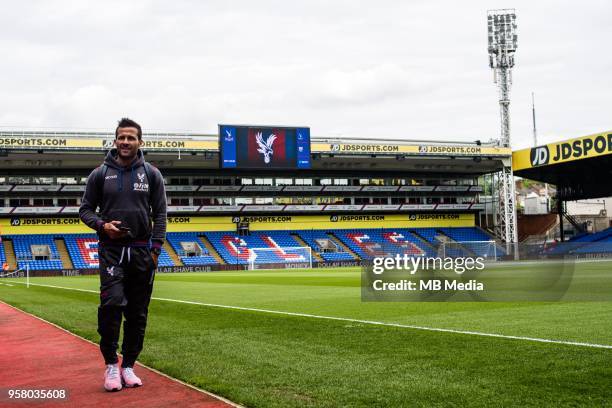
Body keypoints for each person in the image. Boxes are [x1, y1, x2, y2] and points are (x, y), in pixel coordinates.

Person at [79, 118, 167, 392]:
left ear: (140, 142)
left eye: (131, 138)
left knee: (137, 313)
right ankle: (110, 366)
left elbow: (161, 214)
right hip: (112, 252)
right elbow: (85, 210)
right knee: (111, 307)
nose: (126, 142)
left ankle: (128, 366)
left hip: (142, 253)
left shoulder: (152, 174)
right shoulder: (100, 174)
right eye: (121, 137)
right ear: (115, 141)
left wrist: (155, 250)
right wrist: (103, 226)